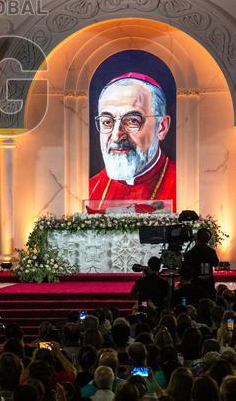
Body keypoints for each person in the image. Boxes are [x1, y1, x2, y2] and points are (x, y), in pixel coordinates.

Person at [88, 74, 176, 212]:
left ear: (162, 127)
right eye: (107, 122)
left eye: (132, 121)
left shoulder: (185, 188)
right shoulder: (91, 188)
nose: (117, 136)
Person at [184, 228, 220, 296]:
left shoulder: (190, 253)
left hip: (195, 283)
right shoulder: (211, 252)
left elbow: (186, 268)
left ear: (196, 238)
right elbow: (216, 264)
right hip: (208, 283)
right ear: (208, 240)